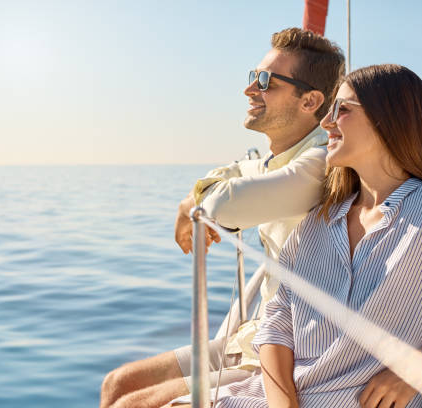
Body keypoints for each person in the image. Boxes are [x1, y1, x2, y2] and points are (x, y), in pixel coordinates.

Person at [175, 64, 422, 408]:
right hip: (279, 396)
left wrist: (415, 369)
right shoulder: (319, 222)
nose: (327, 122)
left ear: (388, 119)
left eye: (342, 110)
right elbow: (276, 324)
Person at [100, 28, 344, 408]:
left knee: (132, 404)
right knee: (117, 383)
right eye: (252, 77)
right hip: (256, 335)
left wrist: (191, 204)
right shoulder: (277, 162)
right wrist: (195, 196)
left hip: (293, 350)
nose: (250, 90)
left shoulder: (322, 162)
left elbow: (224, 206)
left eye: (265, 82)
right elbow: (241, 172)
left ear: (310, 100)